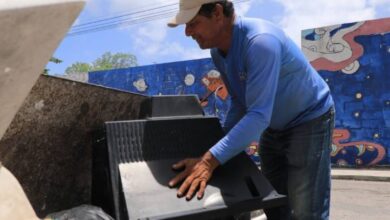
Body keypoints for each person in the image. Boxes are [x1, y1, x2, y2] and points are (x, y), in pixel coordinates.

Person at [167, 0, 335, 219]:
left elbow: (257, 115)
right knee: (274, 203)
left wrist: (208, 160)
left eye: (193, 23)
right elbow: (240, 102)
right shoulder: (218, 53)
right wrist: (219, 145)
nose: (188, 32)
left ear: (217, 13)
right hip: (273, 126)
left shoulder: (260, 42)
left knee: (306, 209)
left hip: (309, 119)